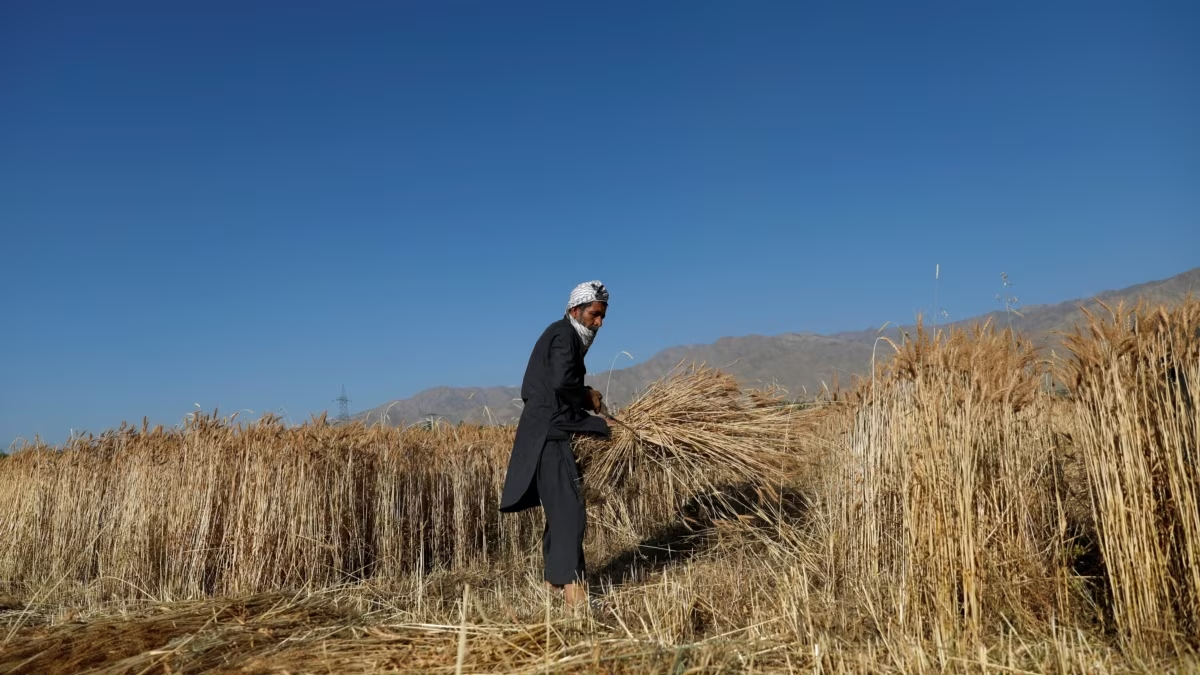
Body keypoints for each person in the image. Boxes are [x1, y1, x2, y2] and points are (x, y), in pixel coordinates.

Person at [499, 280, 611, 608]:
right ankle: (574, 597)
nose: (599, 322)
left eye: (603, 316)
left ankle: (553, 585)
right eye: (595, 314)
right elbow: (562, 384)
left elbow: (559, 383)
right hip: (552, 433)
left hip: (547, 431)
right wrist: (596, 418)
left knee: (562, 512)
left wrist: (586, 394)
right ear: (576, 310)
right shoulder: (564, 335)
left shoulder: (560, 334)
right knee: (570, 515)